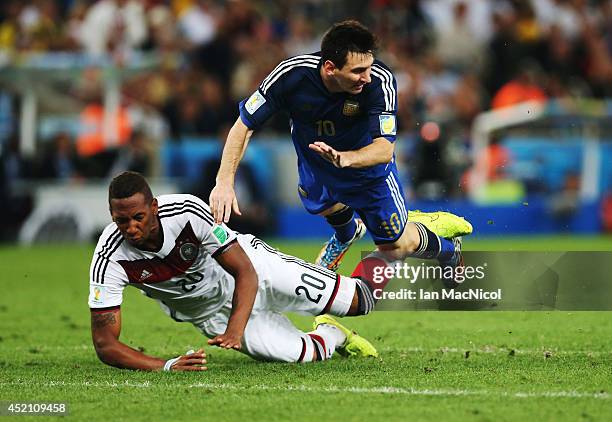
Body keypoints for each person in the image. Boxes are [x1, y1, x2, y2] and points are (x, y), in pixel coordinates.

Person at [209, 20, 471, 277]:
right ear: (330, 67)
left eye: (369, 67)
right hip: (316, 164)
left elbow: (384, 150)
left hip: (367, 173)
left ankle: (448, 250)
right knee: (321, 204)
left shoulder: (380, 82)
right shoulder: (291, 76)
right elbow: (243, 125)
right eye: (358, 71)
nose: (367, 77)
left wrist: (345, 159)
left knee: (394, 245)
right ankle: (346, 234)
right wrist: (224, 181)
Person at [89, 171, 383, 371]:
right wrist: (165, 365)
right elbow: (105, 344)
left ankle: (402, 236)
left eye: (138, 217)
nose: (131, 228)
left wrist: (236, 329)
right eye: (121, 220)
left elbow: (245, 272)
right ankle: (334, 333)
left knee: (361, 301)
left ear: (153, 207)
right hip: (211, 315)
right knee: (302, 355)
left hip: (255, 269)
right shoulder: (110, 257)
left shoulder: (187, 212)